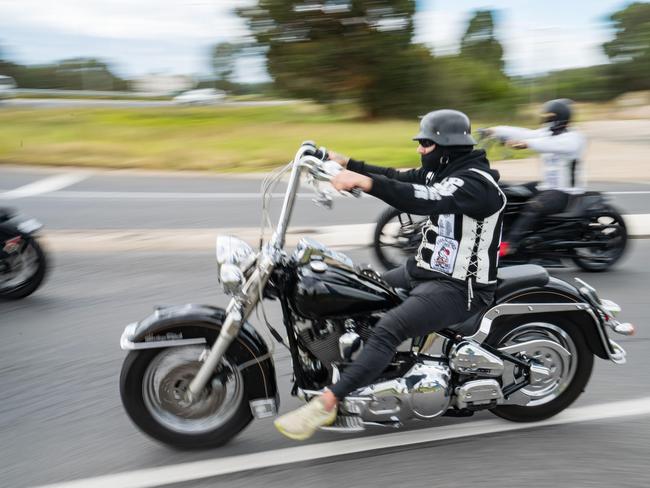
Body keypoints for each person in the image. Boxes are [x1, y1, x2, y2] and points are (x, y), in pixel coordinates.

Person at [274, 109, 506, 441]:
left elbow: (421, 199)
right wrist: (342, 161)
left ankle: (328, 403)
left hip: (459, 287)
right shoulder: (443, 172)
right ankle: (361, 368)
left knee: (389, 328)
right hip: (424, 272)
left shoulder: (475, 185)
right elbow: (398, 178)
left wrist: (363, 183)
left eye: (425, 143)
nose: (420, 149)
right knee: (356, 288)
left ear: (447, 146)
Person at [485, 99, 586, 256]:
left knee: (534, 206)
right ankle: (500, 232)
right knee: (509, 192)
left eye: (550, 118)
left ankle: (510, 244)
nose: (547, 121)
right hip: (546, 187)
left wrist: (526, 144)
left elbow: (549, 144)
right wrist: (494, 131)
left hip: (565, 192)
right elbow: (523, 132)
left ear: (560, 118)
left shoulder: (574, 138)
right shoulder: (549, 133)